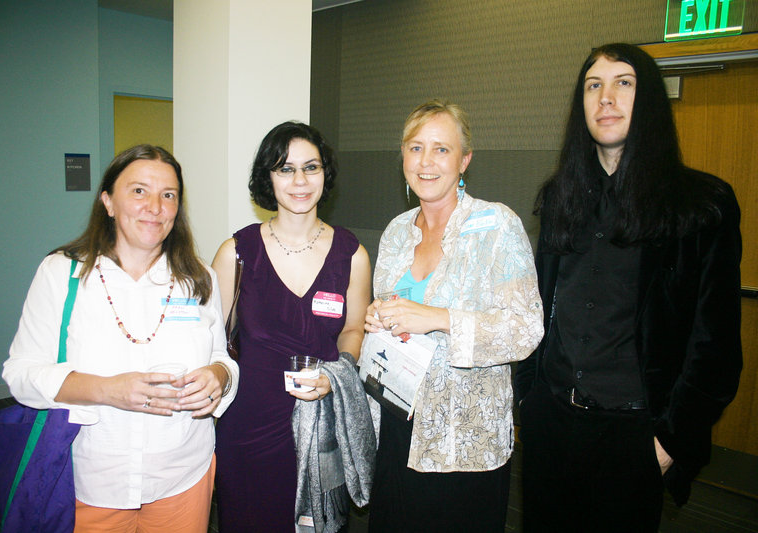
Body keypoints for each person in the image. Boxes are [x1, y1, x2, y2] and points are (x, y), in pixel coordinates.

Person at [514, 43, 743, 532]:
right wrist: (526, 400)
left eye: (624, 83)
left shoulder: (702, 206)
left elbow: (716, 347)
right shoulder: (560, 198)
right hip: (551, 423)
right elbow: (538, 308)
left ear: (651, 101)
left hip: (634, 434)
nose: (606, 98)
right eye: (593, 86)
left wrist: (670, 441)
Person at [3, 145, 239, 532]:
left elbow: (222, 357)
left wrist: (219, 376)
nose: (155, 207)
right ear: (108, 202)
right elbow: (20, 373)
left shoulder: (198, 278)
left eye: (169, 195)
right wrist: (107, 390)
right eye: (139, 191)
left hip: (182, 476)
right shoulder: (61, 274)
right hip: (90, 480)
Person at [364, 100, 544, 532]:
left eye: (441, 150)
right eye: (415, 148)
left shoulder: (497, 225)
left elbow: (526, 329)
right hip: (396, 424)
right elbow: (397, 314)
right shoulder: (395, 233)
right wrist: (378, 315)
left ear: (464, 160)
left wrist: (440, 317)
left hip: (461, 441)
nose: (426, 162)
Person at [211, 121, 375, 532]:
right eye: (285, 169)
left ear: (325, 174)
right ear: (268, 177)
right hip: (247, 428)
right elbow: (210, 341)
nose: (299, 181)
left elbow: (354, 328)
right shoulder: (237, 253)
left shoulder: (352, 254)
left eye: (311, 167)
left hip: (320, 423)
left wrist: (338, 370)